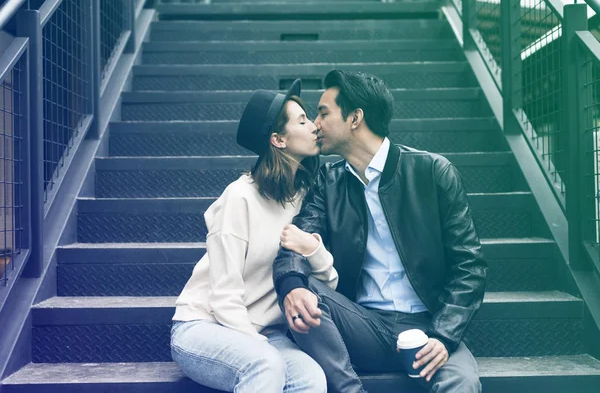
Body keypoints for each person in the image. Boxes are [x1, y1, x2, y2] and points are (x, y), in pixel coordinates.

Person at [272, 70, 487, 393]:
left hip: (429, 327)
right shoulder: (328, 182)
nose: (315, 124)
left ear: (355, 118)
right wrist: (291, 285)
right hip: (363, 324)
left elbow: (470, 266)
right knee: (305, 293)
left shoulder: (432, 172)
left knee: (462, 383)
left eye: (324, 112)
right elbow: (299, 241)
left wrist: (443, 337)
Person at [171, 79, 337, 393]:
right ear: (278, 139)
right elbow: (224, 296)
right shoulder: (240, 197)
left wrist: (313, 248)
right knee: (265, 364)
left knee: (311, 379)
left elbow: (327, 284)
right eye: (301, 120)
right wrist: (258, 344)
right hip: (203, 326)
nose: (314, 125)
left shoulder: (305, 199)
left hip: (268, 334)